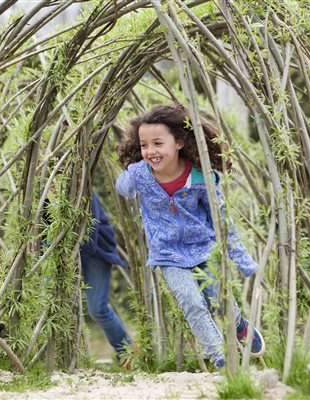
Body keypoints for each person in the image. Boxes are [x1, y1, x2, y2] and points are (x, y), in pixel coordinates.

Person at [115, 104, 264, 369]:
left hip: (204, 247)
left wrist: (240, 258)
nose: (151, 151)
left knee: (220, 302)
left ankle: (240, 325)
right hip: (167, 253)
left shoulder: (200, 177)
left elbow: (221, 218)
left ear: (180, 143)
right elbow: (123, 189)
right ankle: (221, 358)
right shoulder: (141, 174)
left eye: (158, 143)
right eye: (144, 145)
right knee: (192, 304)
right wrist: (131, 172)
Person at [42, 188, 135, 367]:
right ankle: (55, 358)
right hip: (59, 250)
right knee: (50, 301)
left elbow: (90, 240)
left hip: (95, 251)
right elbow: (42, 230)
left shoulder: (82, 185)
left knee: (97, 309)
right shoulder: (41, 189)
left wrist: (69, 252)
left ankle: (128, 353)